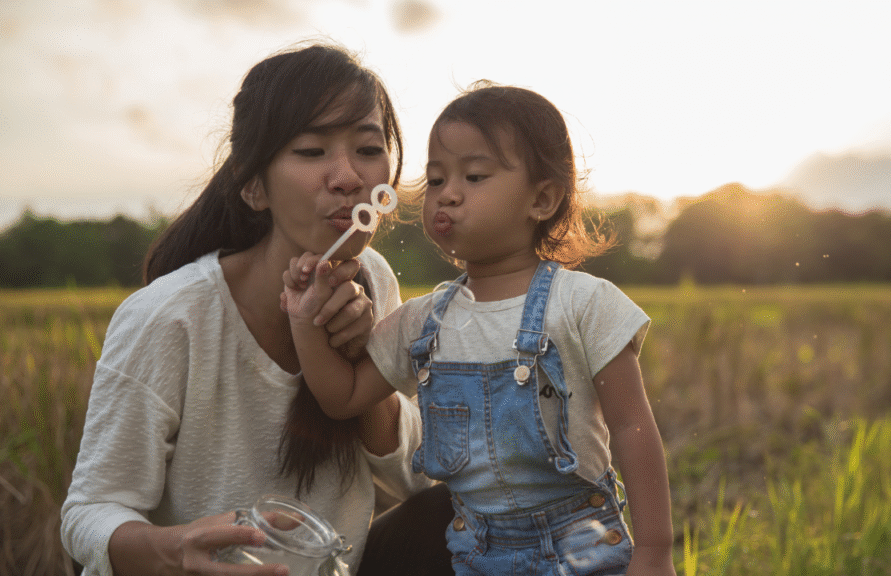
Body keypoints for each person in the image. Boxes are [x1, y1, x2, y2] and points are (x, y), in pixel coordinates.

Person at [61, 42, 454, 576]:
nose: (347, 177)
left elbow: (410, 480)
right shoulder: (171, 315)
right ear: (253, 186)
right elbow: (89, 511)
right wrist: (178, 549)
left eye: (367, 149)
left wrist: (362, 367)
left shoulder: (373, 279)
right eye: (311, 152)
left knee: (466, 511)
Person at [283, 83, 677, 576]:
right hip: (473, 553)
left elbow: (632, 427)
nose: (447, 193)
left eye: (473, 176)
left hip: (582, 548)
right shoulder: (424, 320)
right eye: (435, 179)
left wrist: (654, 552)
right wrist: (303, 319)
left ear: (543, 199)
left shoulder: (583, 304)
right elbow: (342, 396)